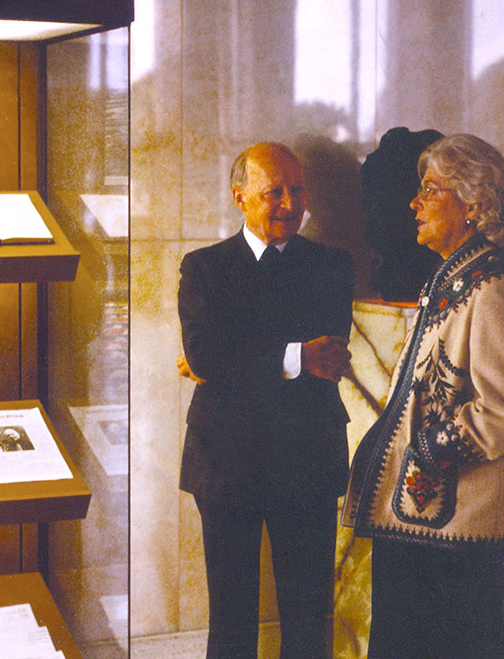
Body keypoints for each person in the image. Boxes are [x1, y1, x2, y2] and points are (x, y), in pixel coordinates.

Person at [178, 142, 354, 658]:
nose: (288, 202)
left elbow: (330, 356)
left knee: (305, 621)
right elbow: (206, 355)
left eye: (296, 190)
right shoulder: (203, 267)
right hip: (226, 461)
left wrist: (231, 360)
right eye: (273, 191)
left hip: (308, 458)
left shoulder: (332, 266)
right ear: (240, 197)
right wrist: (294, 355)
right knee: (230, 622)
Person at [342, 133, 504, 658]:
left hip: (458, 531)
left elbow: (500, 410)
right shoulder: (453, 277)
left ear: (472, 203)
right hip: (424, 520)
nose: (415, 203)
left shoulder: (490, 287)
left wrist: (430, 447)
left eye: (430, 190)